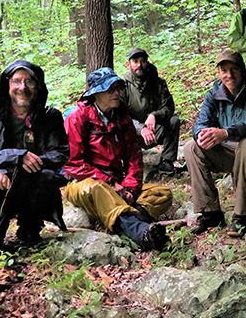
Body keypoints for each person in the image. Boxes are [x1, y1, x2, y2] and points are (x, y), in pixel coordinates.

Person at [0, 60, 69, 258]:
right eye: (16, 81)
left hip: (28, 184)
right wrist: (11, 158)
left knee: (48, 177)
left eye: (29, 82)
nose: (22, 87)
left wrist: (14, 169)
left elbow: (59, 153)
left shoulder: (49, 117)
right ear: (7, 85)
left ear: (38, 86)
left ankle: (30, 228)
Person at [64, 67, 172, 251]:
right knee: (97, 188)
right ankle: (141, 233)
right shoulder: (77, 117)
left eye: (118, 88)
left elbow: (133, 155)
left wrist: (130, 188)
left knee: (162, 194)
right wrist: (111, 184)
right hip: (84, 183)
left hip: (119, 185)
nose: (117, 93)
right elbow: (72, 164)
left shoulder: (122, 116)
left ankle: (118, 218)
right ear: (96, 93)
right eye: (110, 89)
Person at [184, 50, 246, 237]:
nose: (229, 75)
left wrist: (227, 132)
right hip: (231, 152)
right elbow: (199, 124)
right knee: (191, 147)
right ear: (219, 73)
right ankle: (210, 212)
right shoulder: (214, 94)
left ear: (242, 70)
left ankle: (241, 216)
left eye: (233, 69)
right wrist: (201, 135)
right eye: (223, 70)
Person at [122, 47, 181, 175]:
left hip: (155, 131)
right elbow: (121, 115)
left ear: (147, 63)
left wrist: (155, 115)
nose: (139, 65)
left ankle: (167, 161)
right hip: (133, 133)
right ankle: (125, 164)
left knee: (174, 121)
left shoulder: (158, 83)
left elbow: (169, 107)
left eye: (143, 61)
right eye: (135, 61)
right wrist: (141, 128)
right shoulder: (123, 87)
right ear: (128, 64)